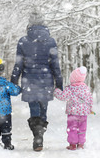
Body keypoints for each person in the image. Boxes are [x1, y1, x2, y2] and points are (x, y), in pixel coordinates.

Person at [10, 10, 64, 151]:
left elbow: (18, 64)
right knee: (43, 109)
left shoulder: (23, 41)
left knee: (34, 109)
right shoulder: (51, 41)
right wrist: (59, 83)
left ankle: (37, 137)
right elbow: (55, 65)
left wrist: (13, 81)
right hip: (46, 81)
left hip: (29, 81)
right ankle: (40, 136)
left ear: (30, 23)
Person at [54, 66, 93, 150]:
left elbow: (62, 97)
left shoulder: (70, 88)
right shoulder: (86, 88)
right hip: (83, 113)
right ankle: (81, 144)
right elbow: (90, 99)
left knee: (72, 128)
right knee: (82, 128)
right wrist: (90, 108)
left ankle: (72, 144)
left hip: (73, 113)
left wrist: (56, 91)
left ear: (73, 79)